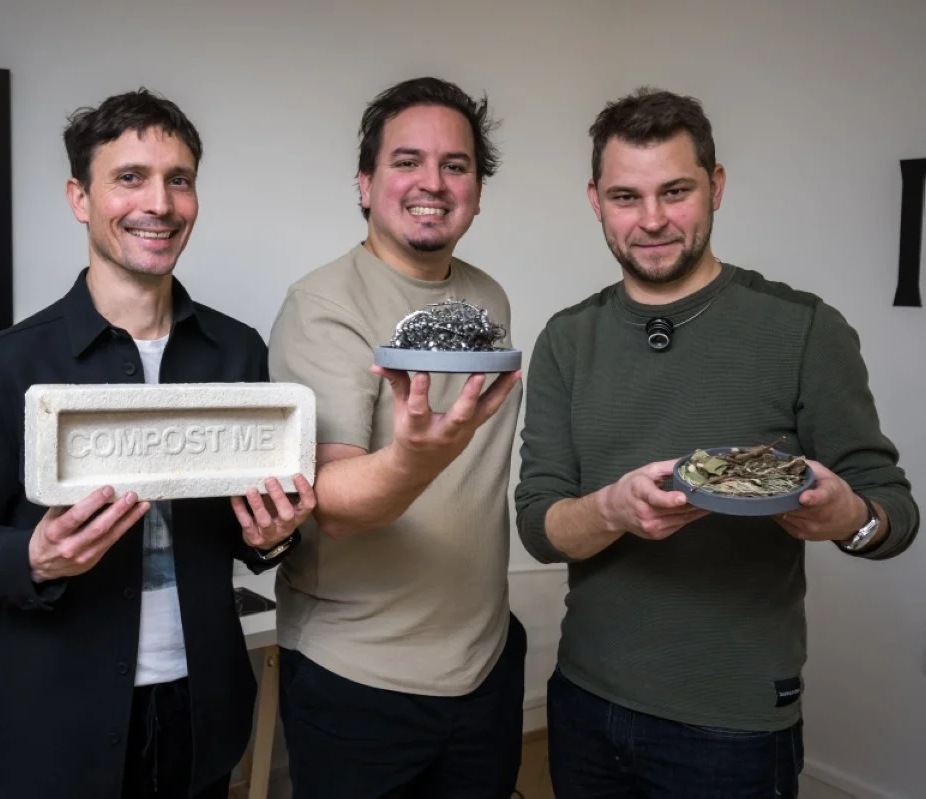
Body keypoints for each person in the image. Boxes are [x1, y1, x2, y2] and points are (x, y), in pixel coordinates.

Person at [516, 86, 920, 798]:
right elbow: (540, 527)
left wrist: (847, 517)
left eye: (675, 191)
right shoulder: (566, 338)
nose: (651, 220)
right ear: (594, 199)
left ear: (717, 186)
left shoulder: (803, 328)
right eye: (625, 196)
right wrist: (610, 508)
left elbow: (893, 515)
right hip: (583, 701)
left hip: (732, 725)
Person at [0, 88, 315, 799]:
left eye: (179, 178)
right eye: (129, 177)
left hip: (204, 711)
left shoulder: (236, 351)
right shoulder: (2, 363)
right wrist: (33, 555)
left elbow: (244, 530)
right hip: (53, 728)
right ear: (80, 197)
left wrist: (275, 536)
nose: (158, 202)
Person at [267, 76, 525, 799]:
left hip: (486, 662)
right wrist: (421, 456)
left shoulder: (488, 297)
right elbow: (338, 505)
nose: (433, 183)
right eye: (407, 161)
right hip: (360, 677)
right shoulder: (322, 305)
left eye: (457, 165)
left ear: (477, 186)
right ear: (365, 182)